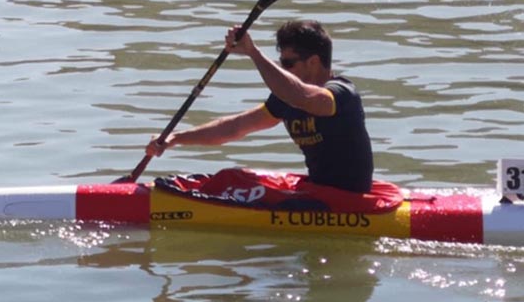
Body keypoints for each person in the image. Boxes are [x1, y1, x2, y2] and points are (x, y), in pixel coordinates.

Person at [146, 19, 374, 193]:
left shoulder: (340, 95)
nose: (282, 69)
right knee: (232, 179)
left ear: (313, 62)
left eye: (287, 63)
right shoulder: (286, 98)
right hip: (317, 190)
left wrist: (252, 52)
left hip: (348, 197)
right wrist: (176, 138)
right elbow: (235, 127)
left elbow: (302, 96)